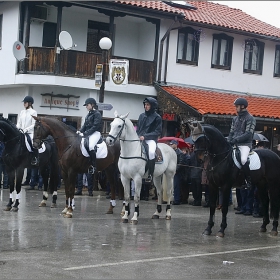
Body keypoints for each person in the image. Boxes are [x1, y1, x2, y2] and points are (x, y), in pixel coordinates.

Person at [227, 97, 256, 189]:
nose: (236, 108)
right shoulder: (235, 119)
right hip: (235, 144)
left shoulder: (250, 118)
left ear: (242, 106)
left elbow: (248, 134)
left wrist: (236, 139)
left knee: (243, 159)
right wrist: (229, 140)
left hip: (245, 145)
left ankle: (248, 180)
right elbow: (231, 132)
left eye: (237, 106)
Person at [136, 97, 162, 182]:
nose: (145, 106)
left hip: (151, 139)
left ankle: (150, 174)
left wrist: (145, 136)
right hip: (140, 138)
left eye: (147, 105)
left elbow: (158, 131)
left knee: (151, 152)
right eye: (145, 104)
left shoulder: (157, 117)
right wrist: (138, 135)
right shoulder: (141, 115)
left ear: (152, 106)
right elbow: (138, 128)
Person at [76, 97, 102, 174]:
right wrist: (79, 131)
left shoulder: (97, 114)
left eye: (87, 105)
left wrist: (84, 133)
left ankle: (93, 166)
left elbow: (95, 126)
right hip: (88, 133)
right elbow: (84, 126)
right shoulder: (88, 115)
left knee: (90, 146)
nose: (86, 106)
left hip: (95, 133)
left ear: (92, 104)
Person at [16, 96, 38, 165]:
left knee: (32, 143)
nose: (24, 104)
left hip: (30, 133)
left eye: (25, 102)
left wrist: (25, 130)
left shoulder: (33, 112)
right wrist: (17, 129)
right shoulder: (22, 112)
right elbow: (19, 122)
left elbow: (34, 124)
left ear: (30, 103)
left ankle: (34, 157)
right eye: (24, 102)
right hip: (21, 132)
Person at [169, 139, 185, 205]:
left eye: (172, 144)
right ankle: (175, 198)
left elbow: (181, 163)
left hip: (177, 172)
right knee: (173, 186)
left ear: (176, 144)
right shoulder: (171, 152)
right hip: (172, 171)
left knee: (176, 186)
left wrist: (176, 170)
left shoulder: (180, 153)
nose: (171, 145)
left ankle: (177, 200)